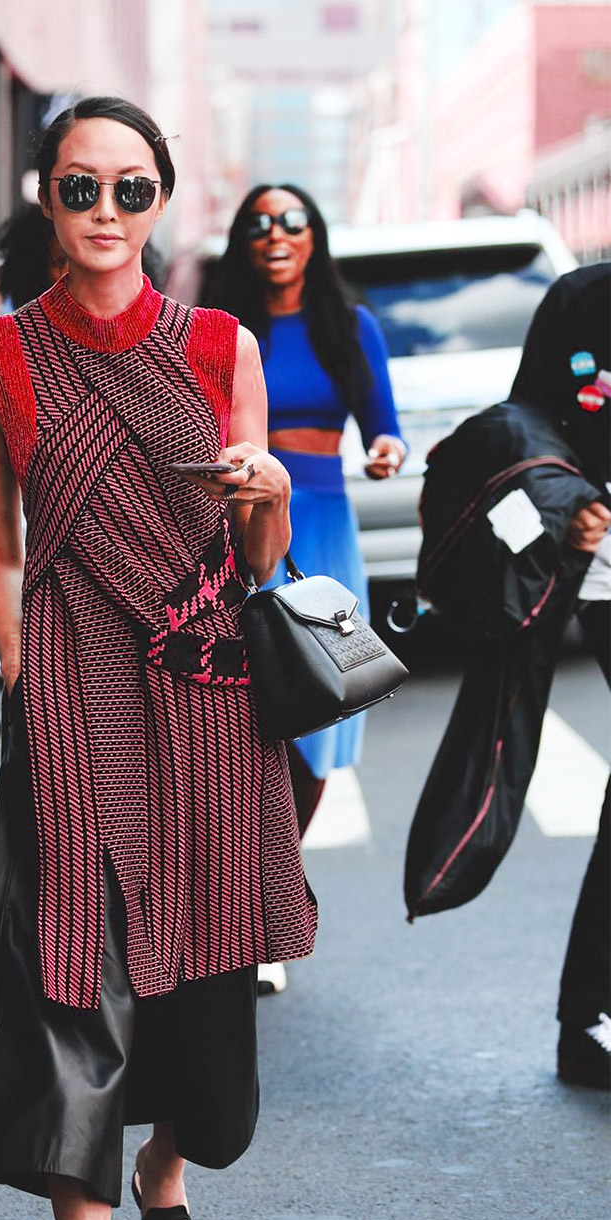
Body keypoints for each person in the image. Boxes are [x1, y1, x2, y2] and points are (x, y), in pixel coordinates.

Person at [0, 96, 317, 1220]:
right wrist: (23, 681)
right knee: (73, 981)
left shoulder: (220, 344)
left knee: (204, 1003)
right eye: (79, 188)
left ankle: (166, 1172)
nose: (104, 213)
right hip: (69, 687)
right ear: (45, 200)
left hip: (205, 692)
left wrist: (270, 497)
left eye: (129, 189)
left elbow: (258, 556)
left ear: (160, 201)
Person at [210, 184, 406, 835]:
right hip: (241, 523)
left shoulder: (351, 325)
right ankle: (254, 864)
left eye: (292, 221)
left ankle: (278, 864)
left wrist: (387, 451)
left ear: (313, 235)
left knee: (322, 691)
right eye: (260, 224)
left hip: (324, 526)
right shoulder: (220, 329)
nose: (276, 234)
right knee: (248, 699)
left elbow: (385, 426)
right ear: (243, 243)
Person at [510, 264, 610, 1089]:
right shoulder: (582, 300)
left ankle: (586, 1015)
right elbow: (522, 430)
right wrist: (565, 502)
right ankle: (586, 1016)